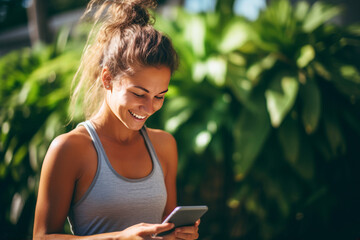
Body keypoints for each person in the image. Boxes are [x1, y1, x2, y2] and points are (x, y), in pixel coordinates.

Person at [32, 0, 201, 239]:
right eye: (138, 94)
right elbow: (42, 237)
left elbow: (164, 230)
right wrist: (119, 237)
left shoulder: (165, 146)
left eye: (159, 96)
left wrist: (177, 234)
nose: (149, 107)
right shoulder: (70, 149)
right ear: (108, 79)